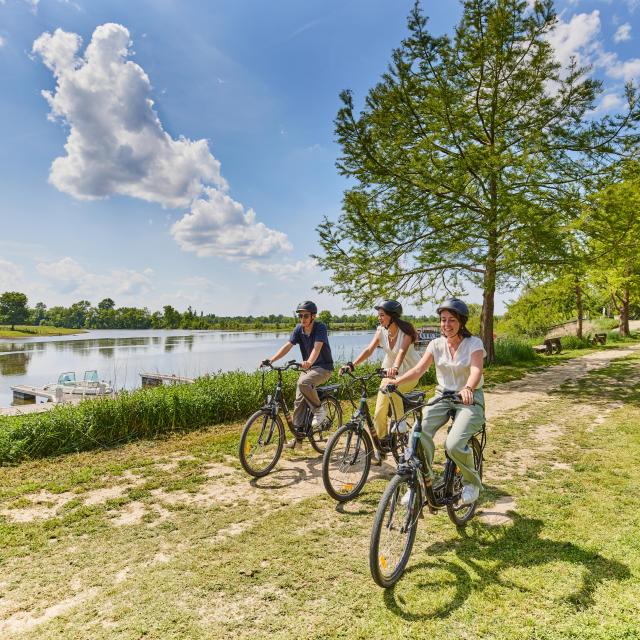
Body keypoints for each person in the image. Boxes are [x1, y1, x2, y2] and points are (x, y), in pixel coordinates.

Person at [389, 298, 486, 505]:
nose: (446, 325)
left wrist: (468, 388)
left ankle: (471, 483)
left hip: (468, 397)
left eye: (451, 320)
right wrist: (395, 382)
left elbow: (477, 369)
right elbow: (418, 370)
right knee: (418, 432)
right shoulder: (435, 344)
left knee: (453, 444)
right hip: (443, 395)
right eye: (443, 320)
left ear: (461, 322)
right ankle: (424, 483)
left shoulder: (474, 343)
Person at [340, 300, 419, 462]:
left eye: (382, 315)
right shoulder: (381, 331)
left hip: (409, 373)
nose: (379, 318)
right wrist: (352, 365)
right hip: (388, 374)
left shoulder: (406, 333)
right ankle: (382, 445)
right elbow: (369, 350)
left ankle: (400, 422)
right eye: (379, 315)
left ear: (392, 317)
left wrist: (395, 369)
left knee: (392, 386)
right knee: (378, 413)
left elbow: (401, 352)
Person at [261, 301, 334, 449]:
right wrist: (272, 359)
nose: (302, 319)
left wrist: (309, 362)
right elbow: (288, 346)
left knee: (303, 383)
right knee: (298, 401)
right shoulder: (299, 329)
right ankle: (298, 439)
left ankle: (319, 410)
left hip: (324, 368)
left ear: (313, 316)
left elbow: (317, 348)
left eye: (305, 316)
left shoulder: (320, 327)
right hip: (308, 369)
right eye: (300, 315)